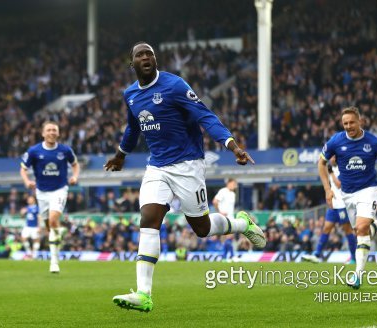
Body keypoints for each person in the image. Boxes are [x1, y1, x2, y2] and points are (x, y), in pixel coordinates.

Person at [105, 42, 265, 312]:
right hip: (157, 166)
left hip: (188, 164)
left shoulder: (175, 85)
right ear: (132, 64)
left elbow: (206, 116)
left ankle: (241, 224)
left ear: (155, 60)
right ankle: (144, 294)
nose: (145, 58)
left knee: (201, 229)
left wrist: (232, 144)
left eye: (149, 54)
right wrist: (121, 154)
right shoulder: (130, 94)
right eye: (139, 55)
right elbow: (133, 127)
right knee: (149, 218)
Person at [319, 106, 377, 289]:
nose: (348, 126)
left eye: (351, 122)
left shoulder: (373, 142)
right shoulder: (336, 141)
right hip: (346, 194)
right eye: (345, 123)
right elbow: (321, 163)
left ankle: (357, 276)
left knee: (362, 228)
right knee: (361, 232)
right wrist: (327, 189)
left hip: (368, 189)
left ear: (360, 121)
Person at [20, 121, 79, 273]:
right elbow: (23, 168)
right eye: (49, 130)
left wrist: (75, 177)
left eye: (54, 130)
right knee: (49, 227)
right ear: (43, 133)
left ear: (58, 133)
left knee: (53, 220)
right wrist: (27, 181)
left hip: (59, 190)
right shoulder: (34, 151)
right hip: (41, 193)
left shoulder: (65, 150)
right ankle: (59, 231)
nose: (52, 132)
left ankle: (54, 262)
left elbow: (75, 164)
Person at [302, 156, 357, 264]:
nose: (330, 159)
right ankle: (317, 254)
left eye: (332, 157)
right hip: (333, 206)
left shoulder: (343, 168)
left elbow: (339, 185)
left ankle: (354, 258)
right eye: (330, 157)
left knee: (348, 231)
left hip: (342, 205)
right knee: (326, 228)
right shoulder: (331, 169)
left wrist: (331, 173)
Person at [20, 195, 41, 259]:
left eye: (30, 199)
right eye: (28, 199)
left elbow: (39, 217)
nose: (28, 200)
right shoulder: (26, 207)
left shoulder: (37, 208)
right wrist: (22, 213)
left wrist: (39, 226)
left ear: (33, 200)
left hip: (34, 227)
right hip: (27, 226)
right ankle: (29, 253)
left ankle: (34, 255)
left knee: (36, 241)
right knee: (23, 238)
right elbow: (22, 217)